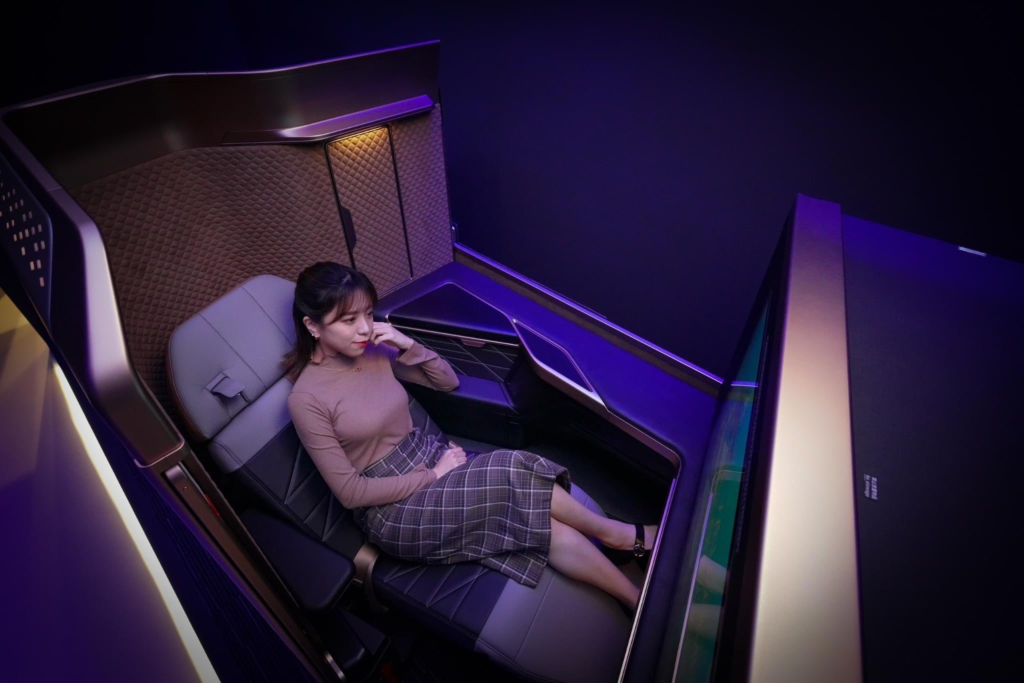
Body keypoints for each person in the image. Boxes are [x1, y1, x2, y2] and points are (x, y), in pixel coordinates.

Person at [284, 261, 657, 611]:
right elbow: (351, 493)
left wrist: (406, 344)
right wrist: (433, 475)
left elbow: (447, 381)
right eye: (349, 320)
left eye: (368, 314)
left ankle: (636, 601)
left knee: (541, 521)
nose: (365, 328)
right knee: (511, 468)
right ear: (313, 326)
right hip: (392, 510)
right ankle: (622, 536)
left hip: (430, 459)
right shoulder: (307, 399)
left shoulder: (375, 352)